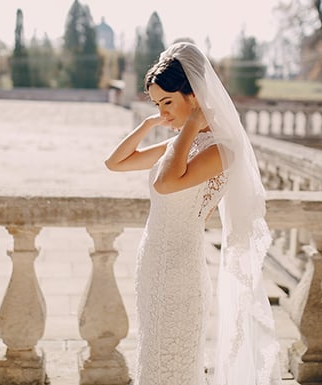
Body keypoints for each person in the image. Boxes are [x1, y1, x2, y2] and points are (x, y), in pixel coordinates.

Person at [105, 42, 280, 385]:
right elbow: (116, 162)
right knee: (152, 358)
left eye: (167, 102)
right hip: (153, 266)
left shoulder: (222, 149)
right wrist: (149, 123)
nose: (164, 112)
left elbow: (168, 183)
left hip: (180, 275)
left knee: (174, 366)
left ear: (195, 96)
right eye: (157, 104)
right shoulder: (178, 145)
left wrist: (189, 126)